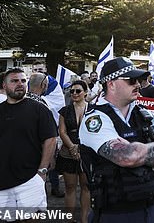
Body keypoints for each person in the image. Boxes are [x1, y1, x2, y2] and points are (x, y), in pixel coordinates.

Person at [79, 57, 154, 222]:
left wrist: (138, 153)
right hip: (115, 213)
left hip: (152, 208)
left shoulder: (145, 115)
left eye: (139, 80)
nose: (138, 84)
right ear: (111, 84)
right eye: (131, 80)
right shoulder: (95, 119)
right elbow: (127, 158)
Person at [0, 68, 57, 216]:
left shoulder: (40, 110)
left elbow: (50, 139)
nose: (20, 84)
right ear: (4, 86)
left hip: (31, 180)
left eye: (23, 81)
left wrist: (42, 172)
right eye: (14, 81)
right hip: (0, 183)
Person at [57, 80, 91, 222]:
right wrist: (72, 147)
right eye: (72, 91)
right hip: (67, 152)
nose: (74, 94)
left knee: (86, 187)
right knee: (70, 187)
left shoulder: (93, 109)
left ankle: (84, 219)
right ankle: (69, 219)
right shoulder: (65, 110)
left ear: (85, 92)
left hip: (87, 152)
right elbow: (62, 132)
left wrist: (81, 148)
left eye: (78, 91)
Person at [27, 72, 65, 198]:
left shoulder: (17, 102)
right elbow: (50, 135)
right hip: (39, 150)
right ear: (43, 85)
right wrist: (51, 157)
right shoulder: (43, 107)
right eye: (47, 85)